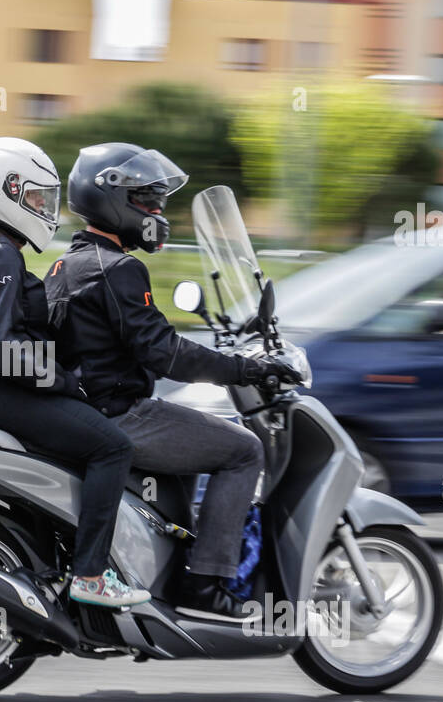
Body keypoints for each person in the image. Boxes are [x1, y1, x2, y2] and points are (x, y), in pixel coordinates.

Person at [45, 142, 302, 622]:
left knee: (196, 445)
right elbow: (165, 354)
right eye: (146, 200)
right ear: (113, 198)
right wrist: (247, 368)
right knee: (244, 449)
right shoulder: (120, 268)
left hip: (85, 410)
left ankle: (169, 567)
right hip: (122, 414)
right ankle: (207, 582)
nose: (157, 211)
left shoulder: (66, 265)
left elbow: (136, 337)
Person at [0, 137, 146, 608]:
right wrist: (68, 382)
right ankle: (90, 575)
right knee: (112, 447)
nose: (42, 208)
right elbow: (0, 346)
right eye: (33, 197)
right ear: (3, 189)